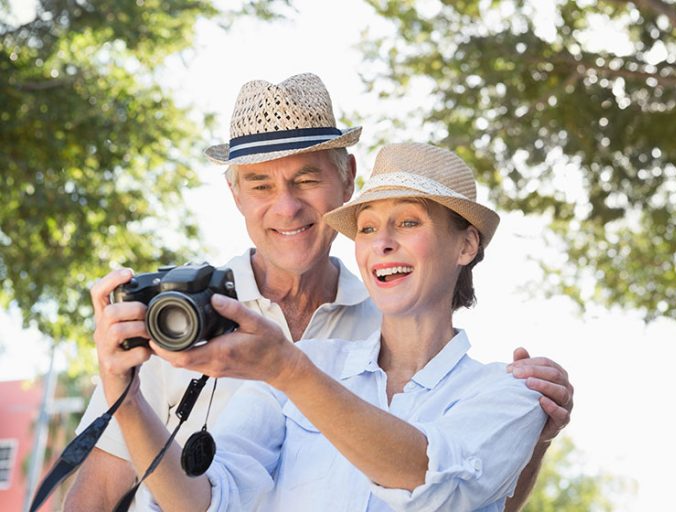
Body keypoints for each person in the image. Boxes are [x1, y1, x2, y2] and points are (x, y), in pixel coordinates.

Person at [64, 74, 573, 511]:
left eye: (306, 179)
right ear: (235, 194)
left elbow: (455, 488)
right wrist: (123, 398)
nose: (286, 208)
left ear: (345, 178)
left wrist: (532, 440)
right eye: (369, 229)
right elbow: (206, 498)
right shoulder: (184, 316)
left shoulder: (503, 391)